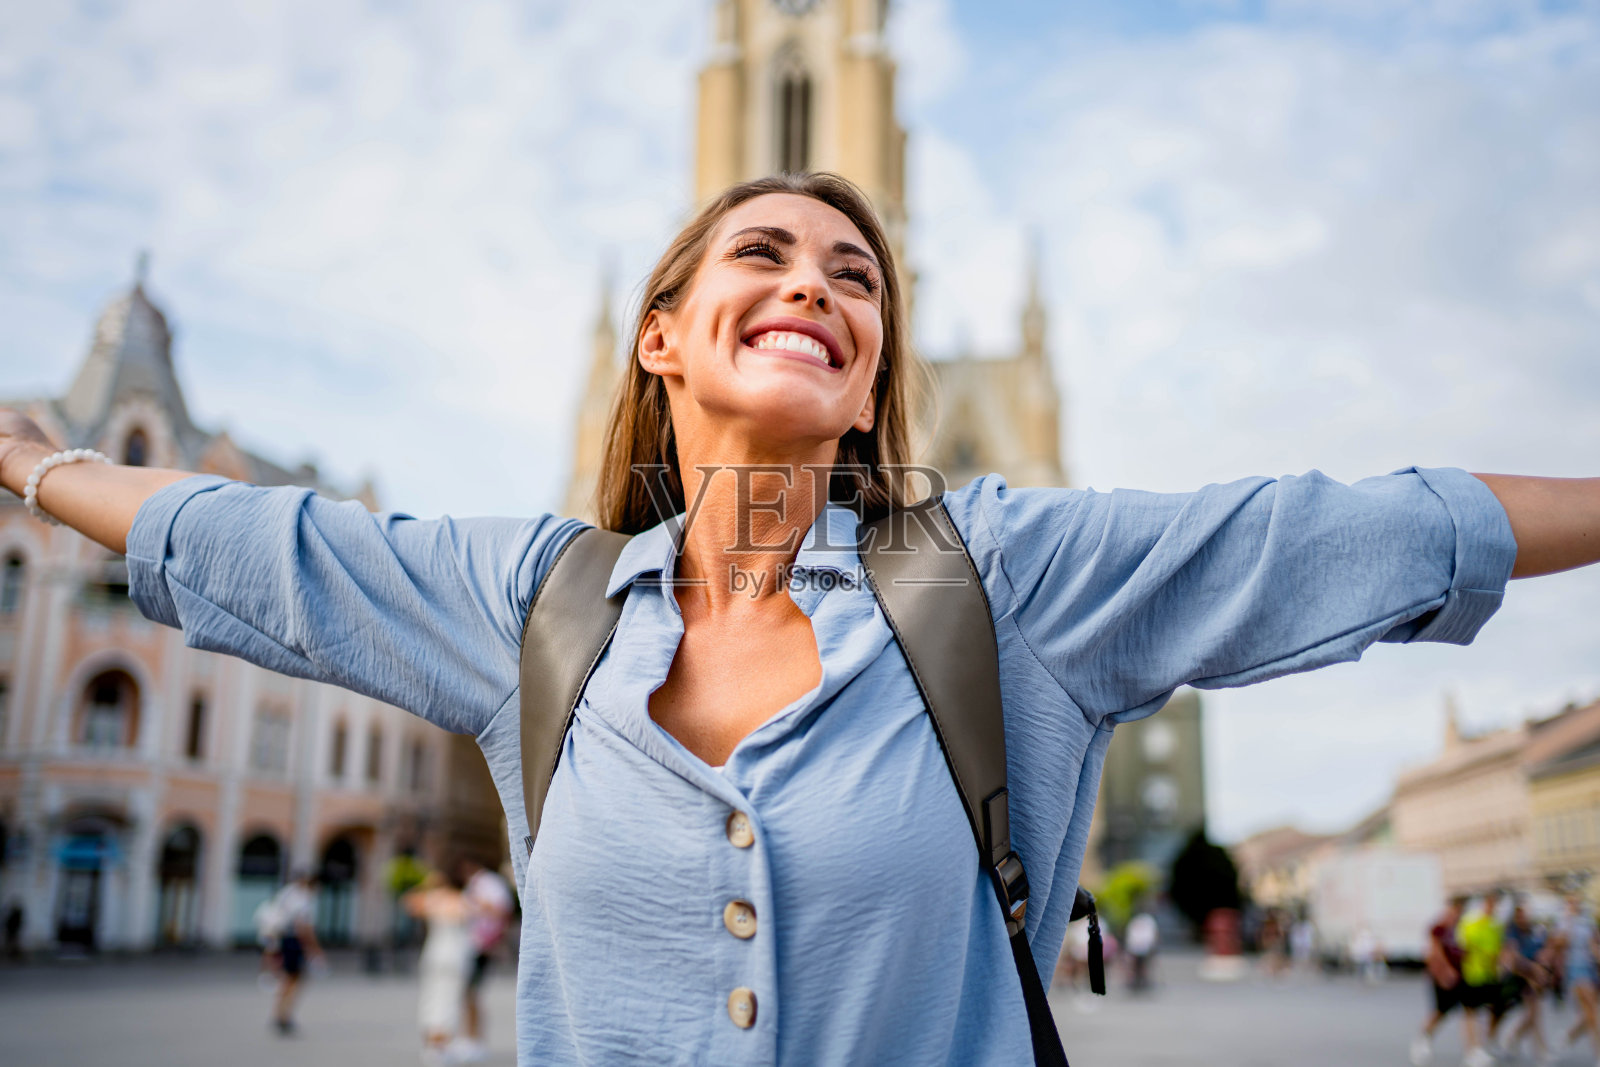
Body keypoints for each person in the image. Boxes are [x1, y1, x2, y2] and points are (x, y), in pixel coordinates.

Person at [5, 170, 1600, 1065]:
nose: (818, 284)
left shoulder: (1005, 579)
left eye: (857, 272)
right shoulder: (532, 603)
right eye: (762, 254)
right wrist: (38, 465)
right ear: (659, 337)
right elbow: (263, 543)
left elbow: (1360, 527)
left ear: (873, 365)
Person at [404, 869, 474, 1066]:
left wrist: (427, 886)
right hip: (455, 954)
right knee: (448, 999)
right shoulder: (463, 900)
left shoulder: (433, 899)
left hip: (434, 953)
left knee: (431, 997)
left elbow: (409, 902)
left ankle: (431, 1043)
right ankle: (440, 1044)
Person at [458, 857, 513, 1064]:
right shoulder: (481, 883)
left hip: (483, 943)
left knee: (472, 992)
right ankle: (470, 1038)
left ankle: (475, 1040)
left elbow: (501, 910)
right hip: (476, 942)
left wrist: (477, 904)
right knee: (469, 993)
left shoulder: (488, 883)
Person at [260, 870, 322, 1035]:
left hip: (283, 939)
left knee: (287, 978)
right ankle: (283, 1015)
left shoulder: (286, 893)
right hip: (293, 942)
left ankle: (280, 1014)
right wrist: (314, 949)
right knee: (292, 979)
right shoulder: (302, 899)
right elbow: (303, 927)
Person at [1491, 898, 1551, 1062]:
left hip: (1530, 978)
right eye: (1519, 915)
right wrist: (1533, 968)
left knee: (1533, 1014)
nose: (1522, 918)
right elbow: (1513, 957)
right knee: (1501, 1013)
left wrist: (1542, 965)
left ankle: (1536, 1049)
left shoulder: (1534, 931)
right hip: (1516, 977)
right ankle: (1505, 1041)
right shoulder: (1511, 932)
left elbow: (1543, 950)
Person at [1413, 897, 1468, 1065]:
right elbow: (1434, 954)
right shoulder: (1439, 929)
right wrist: (1443, 974)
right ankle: (1423, 1038)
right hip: (1442, 977)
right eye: (1454, 910)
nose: (1456, 914)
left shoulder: (1461, 928)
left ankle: (1472, 1050)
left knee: (1469, 1011)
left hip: (1460, 976)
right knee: (1439, 1012)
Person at [1457, 890, 1508, 1067]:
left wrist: (1499, 966)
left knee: (1492, 1011)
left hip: (1490, 974)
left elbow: (1498, 949)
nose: (1492, 907)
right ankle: (1472, 1050)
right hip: (1471, 974)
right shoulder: (1471, 922)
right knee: (1471, 1013)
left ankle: (1483, 1045)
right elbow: (1464, 947)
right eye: (1489, 903)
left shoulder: (1496, 925)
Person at [1557, 894, 1600, 1060]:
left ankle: (1569, 1036)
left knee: (1589, 1014)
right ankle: (1598, 1053)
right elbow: (1560, 944)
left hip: (1589, 969)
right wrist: (1568, 922)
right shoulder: (1564, 922)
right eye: (1571, 903)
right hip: (1575, 969)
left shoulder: (1586, 921)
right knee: (1592, 1013)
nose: (1575, 905)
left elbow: (1593, 944)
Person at [1124, 906, 1159, 992]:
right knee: (1136, 966)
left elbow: (1153, 934)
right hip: (1136, 947)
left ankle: (1143, 981)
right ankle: (1136, 981)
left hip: (1144, 947)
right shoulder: (1138, 920)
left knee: (1143, 965)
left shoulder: (1147, 920)